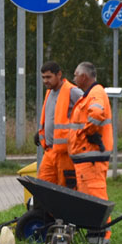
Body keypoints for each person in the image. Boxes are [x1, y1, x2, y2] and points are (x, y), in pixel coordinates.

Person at [68, 61, 114, 244]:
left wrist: (86, 133)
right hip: (88, 160)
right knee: (91, 202)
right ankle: (95, 242)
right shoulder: (90, 94)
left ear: (84, 77)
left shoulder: (95, 94)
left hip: (92, 160)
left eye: (75, 75)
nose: (73, 79)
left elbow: (96, 114)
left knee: (96, 203)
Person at [36, 61, 83, 189]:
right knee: (42, 187)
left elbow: (87, 108)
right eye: (43, 77)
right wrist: (41, 133)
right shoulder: (49, 93)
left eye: (49, 77)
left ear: (59, 75)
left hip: (65, 154)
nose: (45, 81)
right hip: (50, 151)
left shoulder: (72, 91)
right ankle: (45, 210)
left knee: (66, 190)